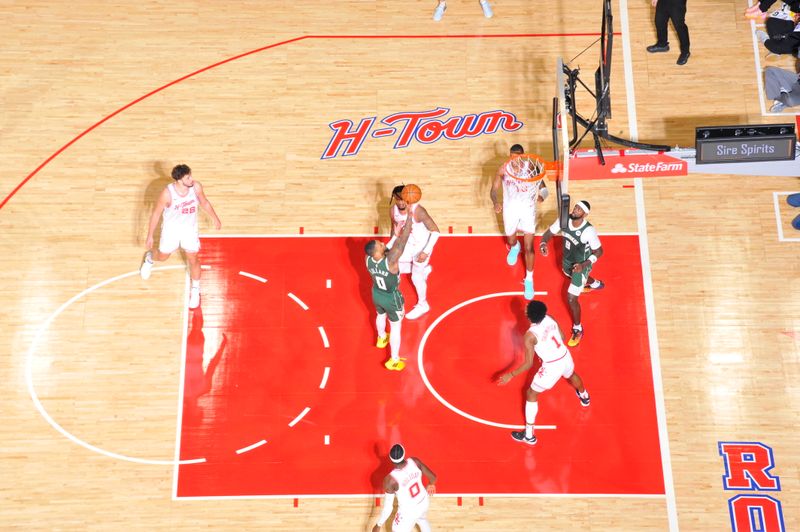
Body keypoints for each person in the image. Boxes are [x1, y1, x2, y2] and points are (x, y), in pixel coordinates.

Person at [496, 300, 590, 445]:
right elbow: (563, 337)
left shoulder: (530, 335)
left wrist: (511, 375)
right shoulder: (550, 317)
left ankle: (529, 435)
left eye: (527, 308)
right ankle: (584, 396)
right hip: (564, 356)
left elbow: (528, 363)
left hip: (551, 367)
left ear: (529, 316)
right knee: (572, 375)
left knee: (531, 394)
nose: (525, 306)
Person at [140, 164, 221, 309]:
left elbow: (204, 202)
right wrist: (150, 235)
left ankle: (195, 289)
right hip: (171, 231)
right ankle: (149, 258)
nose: (192, 179)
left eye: (191, 175)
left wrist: (215, 217)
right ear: (178, 180)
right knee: (163, 257)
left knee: (193, 258)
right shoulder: (167, 193)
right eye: (188, 178)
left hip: (189, 230)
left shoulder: (196, 187)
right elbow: (156, 213)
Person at [538, 200, 603, 347]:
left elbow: (599, 251)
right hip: (567, 263)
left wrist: (583, 265)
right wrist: (543, 243)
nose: (575, 210)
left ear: (585, 214)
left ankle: (578, 328)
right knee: (569, 276)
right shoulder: (564, 220)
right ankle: (594, 283)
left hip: (581, 266)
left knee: (571, 298)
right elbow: (549, 233)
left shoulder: (588, 231)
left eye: (579, 210)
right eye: (575, 207)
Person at [490, 144, 549, 300]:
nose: (513, 160)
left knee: (530, 248)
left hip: (528, 211)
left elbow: (544, 188)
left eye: (516, 157)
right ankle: (515, 247)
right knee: (511, 239)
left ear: (523, 156)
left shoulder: (531, 167)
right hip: (510, 210)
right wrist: (495, 201)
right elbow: (494, 189)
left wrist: (543, 195)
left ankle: (529, 279)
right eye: (511, 156)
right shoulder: (504, 168)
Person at [365, 208, 414, 371]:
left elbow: (389, 247)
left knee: (380, 314)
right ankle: (393, 360)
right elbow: (404, 241)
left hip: (376, 294)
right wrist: (409, 219)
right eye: (380, 244)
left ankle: (380, 338)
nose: (382, 243)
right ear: (378, 252)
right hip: (391, 297)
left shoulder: (368, 259)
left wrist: (394, 235)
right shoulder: (391, 261)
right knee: (395, 327)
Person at [387, 185, 440, 320]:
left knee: (416, 278)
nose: (400, 202)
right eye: (397, 199)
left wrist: (426, 251)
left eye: (403, 199)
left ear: (408, 198)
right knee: (393, 262)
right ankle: (423, 271)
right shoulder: (393, 211)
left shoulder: (418, 211)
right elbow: (394, 229)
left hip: (421, 247)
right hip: (407, 244)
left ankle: (423, 304)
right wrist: (392, 245)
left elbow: (435, 231)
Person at [373, 444, 437, 532]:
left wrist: (378, 524)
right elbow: (433, 477)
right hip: (423, 502)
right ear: (404, 454)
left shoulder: (390, 480)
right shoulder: (415, 462)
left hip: (408, 513)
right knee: (422, 519)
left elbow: (388, 508)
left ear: (391, 459)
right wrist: (431, 484)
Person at [646, 0, 691, 65]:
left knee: (679, 25)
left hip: (677, 3)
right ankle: (662, 44)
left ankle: (685, 52)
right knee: (659, 20)